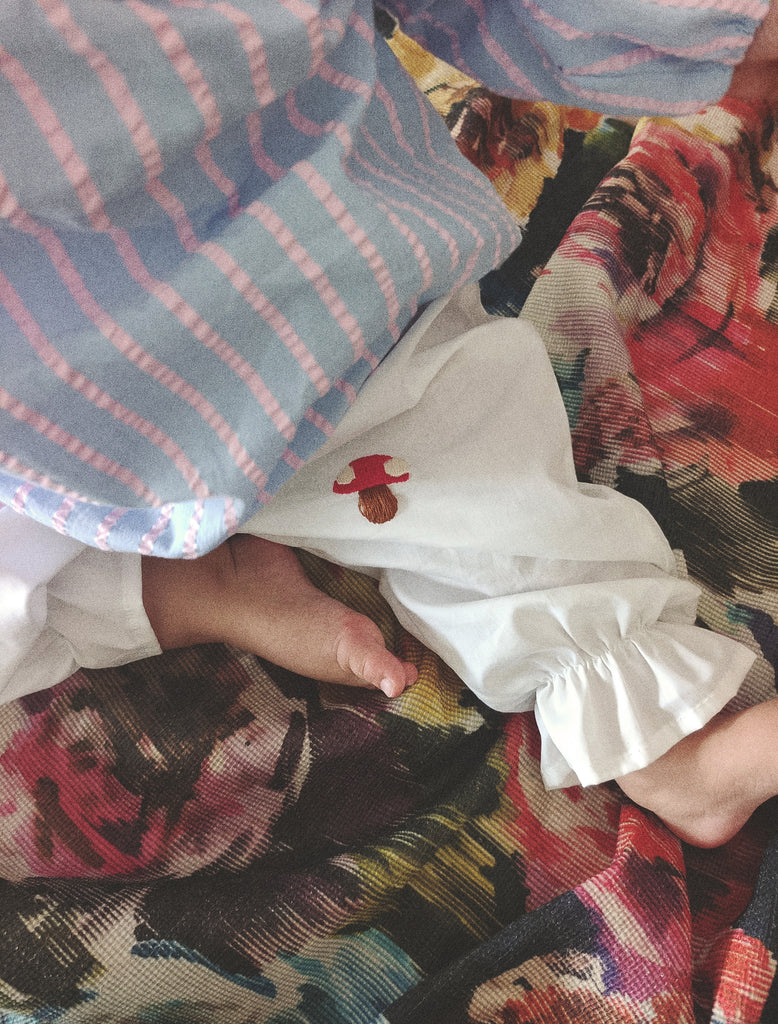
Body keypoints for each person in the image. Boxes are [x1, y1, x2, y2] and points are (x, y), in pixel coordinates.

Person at [2, 1, 778, 848]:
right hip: (89, 405)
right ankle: (177, 595)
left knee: (494, 495)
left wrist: (728, 28)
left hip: (326, 290)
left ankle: (682, 758)